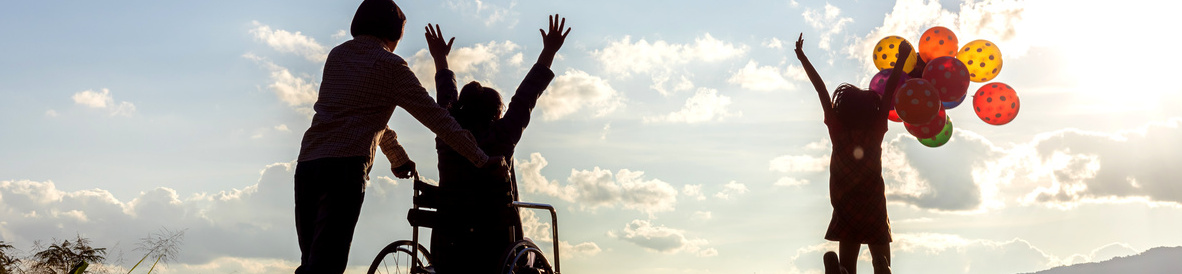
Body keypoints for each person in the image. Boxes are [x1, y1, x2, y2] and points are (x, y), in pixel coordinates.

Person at [292, 1, 508, 273]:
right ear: (394, 32)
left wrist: (397, 158)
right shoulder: (391, 65)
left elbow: (365, 116)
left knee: (310, 261)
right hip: (344, 168)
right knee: (327, 264)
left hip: (308, 163)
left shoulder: (337, 56)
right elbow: (437, 118)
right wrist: (480, 158)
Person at [422, 15, 570, 273]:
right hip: (496, 248)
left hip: (448, 249)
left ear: (460, 108)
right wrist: (548, 51)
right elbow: (526, 97)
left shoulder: (446, 133)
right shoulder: (502, 135)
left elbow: (446, 96)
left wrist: (440, 58)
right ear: (496, 112)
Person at [796, 33, 909, 274]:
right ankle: (882, 268)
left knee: (848, 264)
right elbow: (889, 91)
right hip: (873, 203)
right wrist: (901, 60)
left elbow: (821, 90)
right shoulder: (877, 127)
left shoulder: (838, 129)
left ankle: (841, 271)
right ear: (872, 109)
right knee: (882, 256)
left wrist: (802, 57)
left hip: (845, 205)